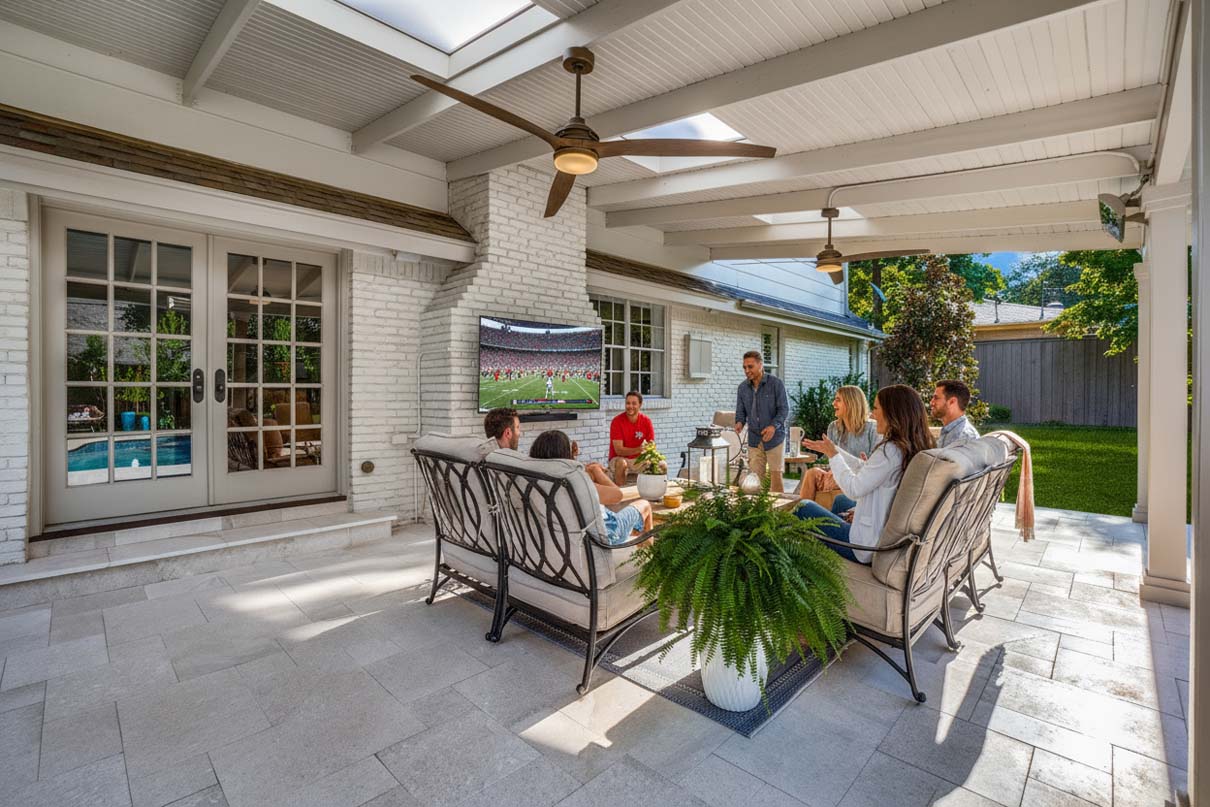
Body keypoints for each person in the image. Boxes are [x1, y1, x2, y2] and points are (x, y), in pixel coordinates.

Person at [799, 385, 935, 564]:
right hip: (881, 527)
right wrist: (834, 451)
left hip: (865, 546)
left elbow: (854, 489)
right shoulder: (906, 447)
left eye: (876, 408)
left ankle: (813, 557)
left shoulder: (889, 451)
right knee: (841, 501)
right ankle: (826, 549)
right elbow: (869, 469)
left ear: (892, 414)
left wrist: (833, 456)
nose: (872, 414)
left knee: (803, 507)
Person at [529, 430, 653, 545]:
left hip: (561, 536)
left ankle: (634, 535)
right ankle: (649, 555)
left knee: (624, 517)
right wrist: (596, 470)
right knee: (645, 505)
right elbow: (617, 495)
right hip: (605, 533)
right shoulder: (575, 483)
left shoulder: (535, 481)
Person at [798, 385, 879, 513]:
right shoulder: (833, 427)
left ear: (851, 403)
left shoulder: (873, 429)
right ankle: (802, 517)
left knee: (838, 479)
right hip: (836, 472)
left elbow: (872, 466)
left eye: (838, 400)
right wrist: (830, 473)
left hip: (859, 476)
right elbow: (831, 460)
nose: (833, 403)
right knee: (811, 473)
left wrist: (836, 476)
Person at [734, 350, 789, 493]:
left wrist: (773, 426)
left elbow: (784, 410)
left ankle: (780, 507)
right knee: (755, 480)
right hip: (754, 439)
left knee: (775, 478)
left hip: (775, 438)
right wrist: (739, 422)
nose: (747, 371)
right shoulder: (742, 388)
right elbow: (740, 411)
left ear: (760, 365)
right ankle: (759, 507)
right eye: (744, 367)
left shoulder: (776, 384)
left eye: (750, 367)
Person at [608, 391, 661, 485]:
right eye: (628, 403)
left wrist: (649, 453)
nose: (630, 406)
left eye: (634, 403)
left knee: (662, 465)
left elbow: (651, 446)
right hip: (620, 458)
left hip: (640, 460)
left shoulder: (646, 421)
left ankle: (654, 492)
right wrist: (640, 449)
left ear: (640, 405)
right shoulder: (617, 421)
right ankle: (622, 493)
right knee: (621, 463)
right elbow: (619, 450)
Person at [931, 379, 980, 448]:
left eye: (936, 398)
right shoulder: (950, 431)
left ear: (952, 402)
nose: (931, 402)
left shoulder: (965, 438)